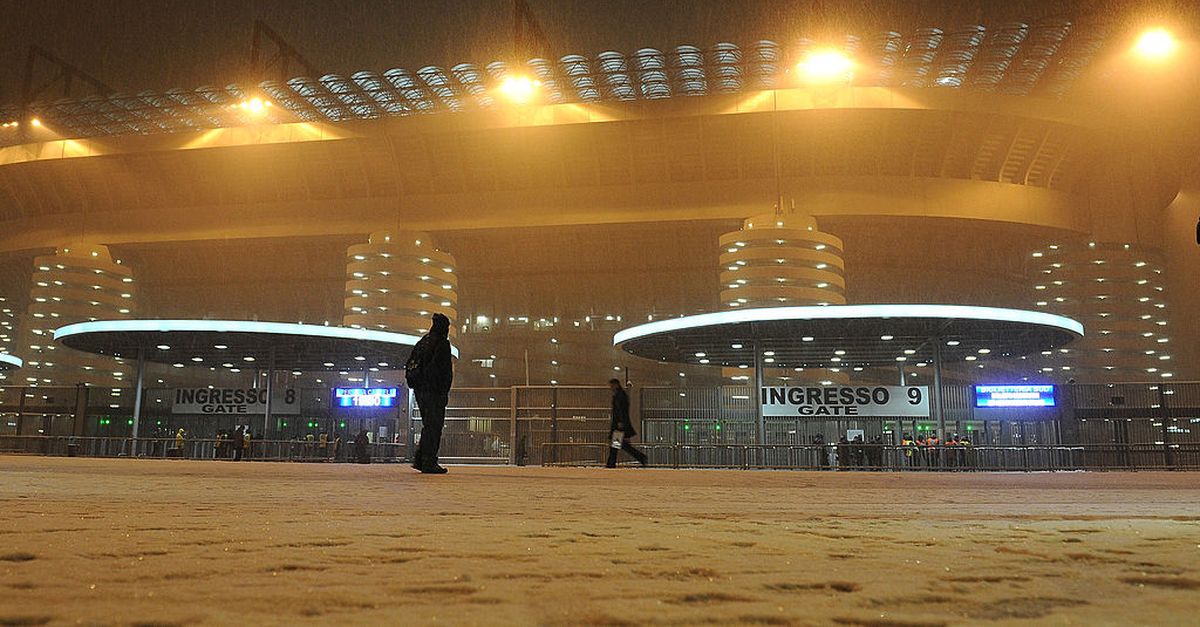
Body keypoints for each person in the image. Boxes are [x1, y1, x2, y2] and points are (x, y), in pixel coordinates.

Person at [407, 313, 454, 474]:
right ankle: (428, 461)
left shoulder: (423, 342)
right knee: (434, 426)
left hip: (420, 389)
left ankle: (421, 459)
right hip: (434, 391)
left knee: (429, 425)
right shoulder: (441, 344)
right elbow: (443, 371)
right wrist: (443, 390)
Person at [606, 378, 648, 468]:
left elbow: (620, 410)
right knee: (618, 445)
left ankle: (611, 463)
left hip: (619, 424)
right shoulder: (620, 394)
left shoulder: (619, 395)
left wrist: (620, 422)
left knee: (619, 445)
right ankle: (611, 463)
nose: (611, 387)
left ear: (616, 385)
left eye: (612, 385)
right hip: (619, 423)